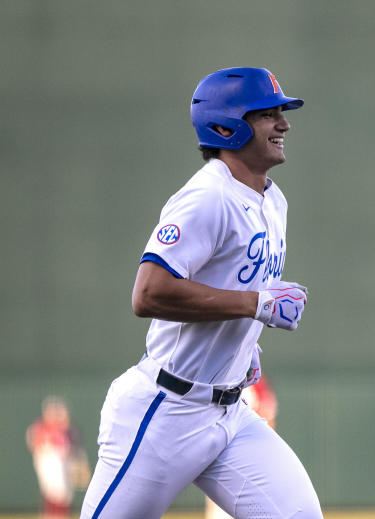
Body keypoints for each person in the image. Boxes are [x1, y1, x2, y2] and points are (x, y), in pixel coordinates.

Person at [79, 67, 323, 519]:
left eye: (281, 114)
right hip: (165, 411)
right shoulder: (208, 196)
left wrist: (243, 346)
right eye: (269, 115)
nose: (284, 124)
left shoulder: (273, 200)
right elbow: (148, 293)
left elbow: (234, 288)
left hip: (231, 413)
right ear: (227, 127)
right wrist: (256, 305)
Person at [205, 374, 279, 519]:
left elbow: (269, 419)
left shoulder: (255, 383)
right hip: (225, 454)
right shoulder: (218, 377)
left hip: (244, 454)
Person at [26, 396, 91, 518]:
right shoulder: (41, 428)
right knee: (53, 492)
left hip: (64, 463)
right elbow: (33, 443)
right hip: (49, 463)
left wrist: (80, 462)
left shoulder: (69, 431)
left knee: (64, 495)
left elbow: (75, 449)